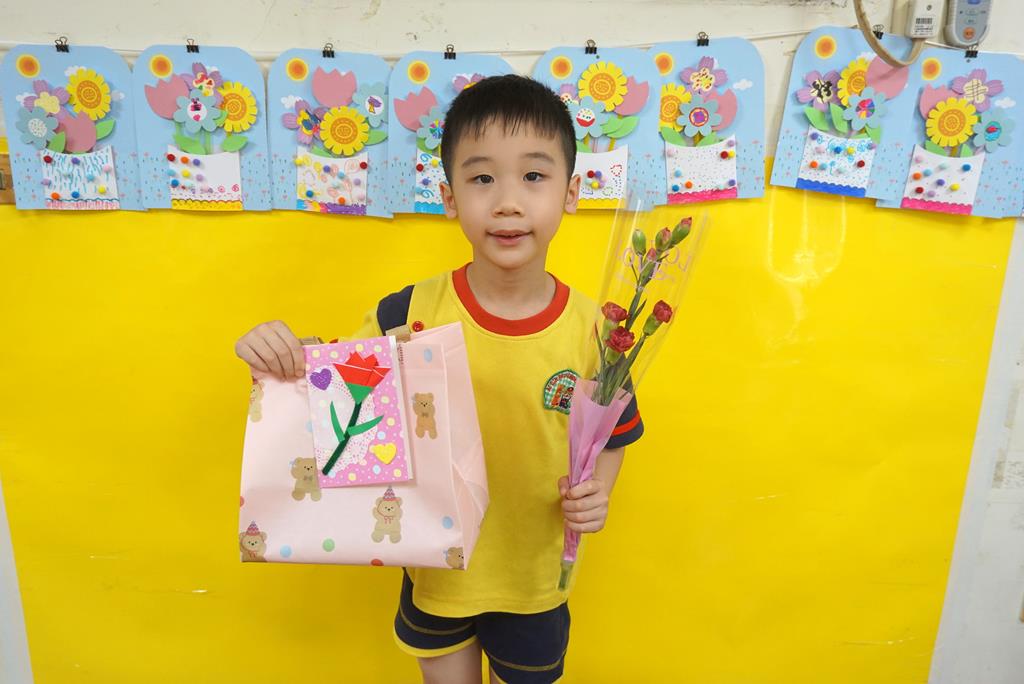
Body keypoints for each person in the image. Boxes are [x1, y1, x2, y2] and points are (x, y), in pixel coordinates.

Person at [234, 74, 644, 684]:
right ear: (449, 197)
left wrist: (596, 494)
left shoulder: (602, 332)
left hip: (535, 579)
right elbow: (337, 402)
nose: (507, 202)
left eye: (534, 175)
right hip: (432, 569)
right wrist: (281, 356)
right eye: (482, 179)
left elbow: (614, 433)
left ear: (572, 191)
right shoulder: (407, 313)